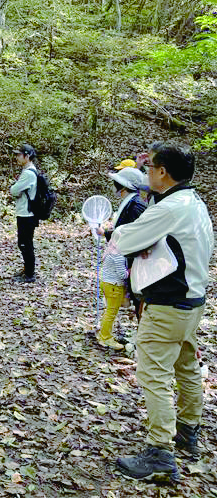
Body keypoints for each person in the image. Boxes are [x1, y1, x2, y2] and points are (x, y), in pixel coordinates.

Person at [111, 142, 214, 482]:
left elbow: (126, 241)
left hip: (168, 305)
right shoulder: (192, 202)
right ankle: (187, 430)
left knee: (154, 374)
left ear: (163, 172)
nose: (147, 173)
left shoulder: (170, 208)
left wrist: (115, 230)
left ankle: (160, 452)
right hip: (192, 302)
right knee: (186, 366)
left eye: (150, 167)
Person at [95, 166, 147, 349]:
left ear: (124, 187)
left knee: (138, 301)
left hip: (133, 261)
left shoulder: (136, 206)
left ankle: (143, 341)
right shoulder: (131, 203)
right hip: (126, 261)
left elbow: (134, 234)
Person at [9, 143, 39, 283]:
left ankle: (30, 273)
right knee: (25, 243)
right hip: (27, 213)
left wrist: (15, 189)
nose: (17, 157)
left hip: (26, 214)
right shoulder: (30, 171)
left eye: (19, 155)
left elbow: (14, 190)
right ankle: (27, 269)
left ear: (27, 156)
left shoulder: (28, 173)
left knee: (25, 243)